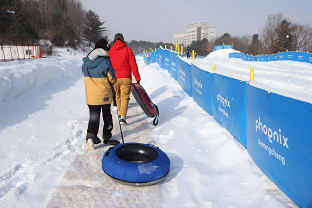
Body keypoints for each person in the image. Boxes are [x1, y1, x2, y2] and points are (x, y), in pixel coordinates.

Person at [82, 38, 120, 150]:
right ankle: (107, 137)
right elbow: (112, 79)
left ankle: (90, 137)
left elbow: (84, 74)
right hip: (104, 94)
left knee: (94, 116)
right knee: (107, 115)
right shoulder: (105, 61)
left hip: (91, 95)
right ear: (105, 48)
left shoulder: (86, 62)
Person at [108, 33, 141, 124]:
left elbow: (107, 65)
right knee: (125, 97)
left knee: (117, 95)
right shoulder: (128, 50)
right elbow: (133, 65)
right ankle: (122, 116)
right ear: (123, 40)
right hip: (126, 77)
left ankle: (120, 113)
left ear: (114, 40)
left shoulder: (110, 51)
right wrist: (137, 78)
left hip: (115, 78)